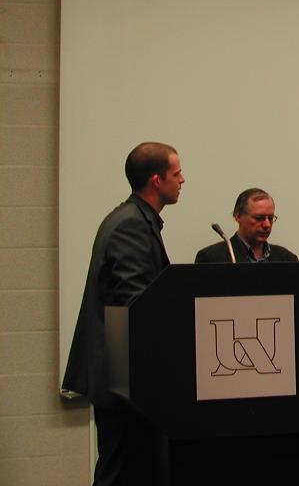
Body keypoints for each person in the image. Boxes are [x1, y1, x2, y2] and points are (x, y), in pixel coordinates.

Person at [62, 142, 184, 486]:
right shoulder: (130, 225)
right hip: (125, 381)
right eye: (177, 174)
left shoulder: (134, 219)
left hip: (127, 379)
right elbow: (136, 304)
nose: (183, 180)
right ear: (157, 180)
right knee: (121, 474)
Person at [195, 187, 298, 263]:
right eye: (259, 218)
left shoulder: (287, 259)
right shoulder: (211, 258)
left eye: (270, 218)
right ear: (238, 216)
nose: (267, 224)